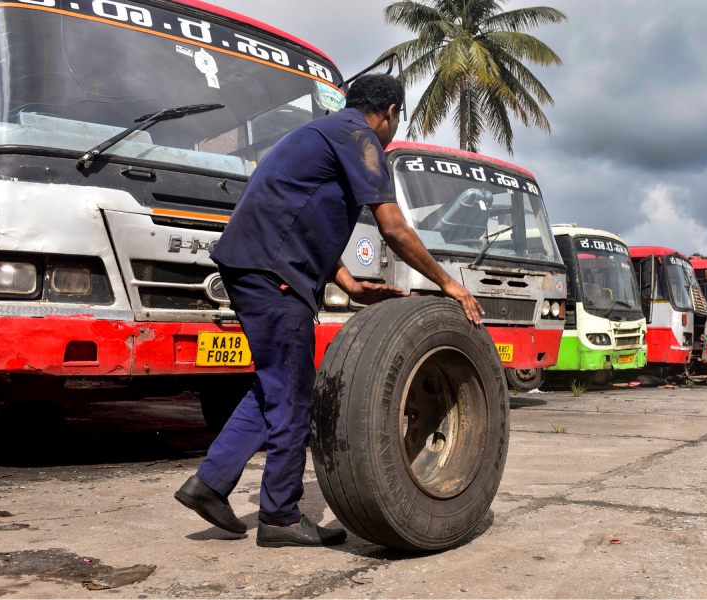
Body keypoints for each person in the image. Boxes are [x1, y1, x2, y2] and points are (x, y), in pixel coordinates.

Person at [174, 74, 484, 548]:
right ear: (390, 112)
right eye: (397, 120)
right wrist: (449, 285)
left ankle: (210, 484)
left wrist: (348, 282)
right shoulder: (359, 138)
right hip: (273, 274)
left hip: (255, 265)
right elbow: (394, 229)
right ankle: (278, 516)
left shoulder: (320, 134)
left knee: (275, 387)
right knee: (296, 395)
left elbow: (296, 212)